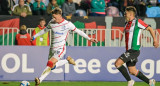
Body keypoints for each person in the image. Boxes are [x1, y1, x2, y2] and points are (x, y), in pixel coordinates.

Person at [31, 7, 97, 86]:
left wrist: (89, 38)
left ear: (59, 15)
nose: (53, 18)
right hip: (52, 48)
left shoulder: (67, 24)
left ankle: (40, 80)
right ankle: (67, 61)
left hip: (61, 48)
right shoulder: (52, 22)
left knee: (50, 63)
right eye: (53, 17)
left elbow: (78, 31)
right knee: (52, 67)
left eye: (54, 17)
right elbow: (45, 30)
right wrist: (35, 36)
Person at [114, 6, 159, 86]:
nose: (124, 15)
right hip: (129, 50)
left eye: (126, 13)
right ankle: (150, 82)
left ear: (131, 14)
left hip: (134, 50)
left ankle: (130, 81)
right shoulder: (127, 23)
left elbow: (150, 29)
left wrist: (155, 40)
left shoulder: (138, 22)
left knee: (117, 63)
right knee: (132, 71)